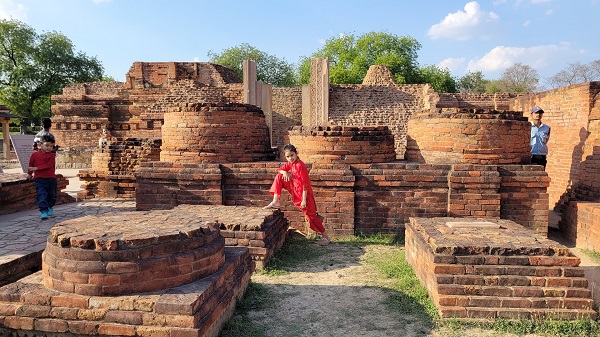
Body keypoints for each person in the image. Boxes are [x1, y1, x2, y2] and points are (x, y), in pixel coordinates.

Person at [264, 144, 331, 246]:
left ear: (296, 154)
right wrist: (284, 172)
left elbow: (305, 185)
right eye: (287, 156)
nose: (290, 158)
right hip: (295, 190)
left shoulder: (301, 165)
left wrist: (304, 200)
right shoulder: (290, 164)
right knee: (279, 177)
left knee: (312, 216)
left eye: (292, 155)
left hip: (304, 195)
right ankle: (275, 200)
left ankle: (326, 237)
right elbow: (280, 169)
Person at [27, 135, 57, 219]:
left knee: (52, 195)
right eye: (47, 145)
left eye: (51, 146)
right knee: (41, 194)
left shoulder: (51, 156)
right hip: (39, 179)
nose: (49, 148)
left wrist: (36, 168)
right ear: (41, 145)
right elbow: (30, 165)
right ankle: (44, 211)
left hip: (51, 178)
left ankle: (50, 206)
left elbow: (48, 165)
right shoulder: (34, 155)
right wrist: (29, 174)